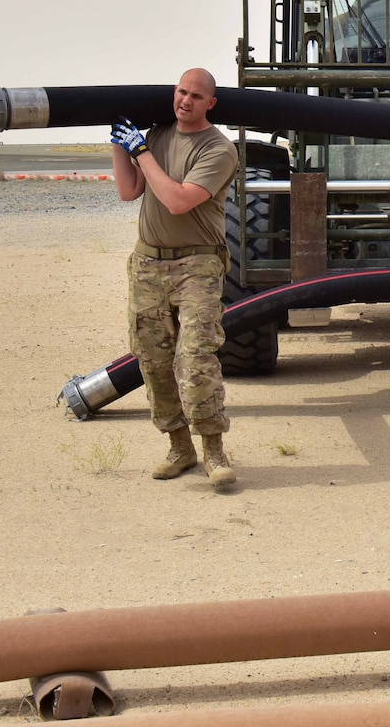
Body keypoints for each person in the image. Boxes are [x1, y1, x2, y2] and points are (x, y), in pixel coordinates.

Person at [109, 69, 240, 488]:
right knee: (154, 362)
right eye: (181, 92)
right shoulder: (158, 134)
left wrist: (142, 150)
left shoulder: (218, 149)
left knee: (196, 359)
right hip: (147, 264)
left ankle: (214, 452)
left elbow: (179, 200)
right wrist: (119, 145)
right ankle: (179, 447)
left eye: (196, 96)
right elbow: (130, 192)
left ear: (210, 104)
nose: (186, 100)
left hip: (197, 266)